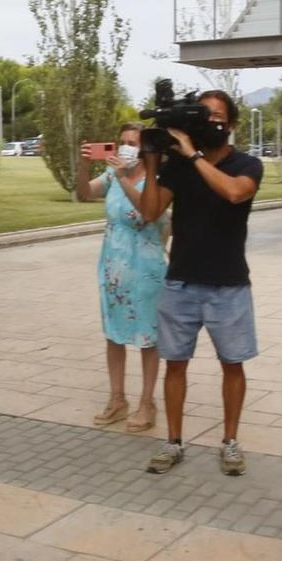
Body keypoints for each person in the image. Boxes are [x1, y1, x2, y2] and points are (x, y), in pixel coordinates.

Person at [137, 89, 262, 477]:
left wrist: (191, 154)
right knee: (174, 365)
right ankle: (173, 442)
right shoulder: (177, 165)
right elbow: (150, 212)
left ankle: (230, 442)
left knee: (232, 365)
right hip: (181, 284)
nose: (210, 121)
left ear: (232, 123)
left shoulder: (247, 163)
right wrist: (155, 161)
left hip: (229, 285)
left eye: (218, 116)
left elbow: (234, 193)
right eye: (202, 115)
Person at [80, 122, 166, 432]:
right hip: (113, 267)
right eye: (123, 141)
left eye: (134, 142)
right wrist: (83, 164)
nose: (127, 147)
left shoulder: (157, 181)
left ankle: (147, 402)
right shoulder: (111, 175)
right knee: (113, 334)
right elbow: (83, 192)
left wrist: (121, 176)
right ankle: (117, 399)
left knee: (147, 336)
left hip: (145, 268)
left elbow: (147, 212)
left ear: (146, 150)